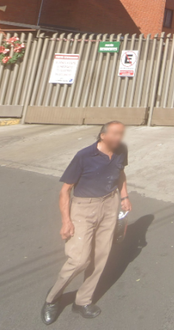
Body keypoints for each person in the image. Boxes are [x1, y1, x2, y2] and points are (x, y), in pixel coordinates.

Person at [41, 121, 131, 325]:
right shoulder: (84, 156)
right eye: (115, 134)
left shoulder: (121, 151)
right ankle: (52, 299)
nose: (119, 138)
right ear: (102, 136)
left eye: (121, 134)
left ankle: (82, 301)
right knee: (79, 259)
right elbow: (65, 190)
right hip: (84, 207)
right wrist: (66, 221)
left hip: (110, 204)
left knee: (100, 257)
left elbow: (121, 173)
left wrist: (124, 197)